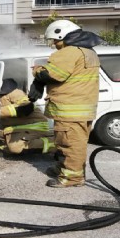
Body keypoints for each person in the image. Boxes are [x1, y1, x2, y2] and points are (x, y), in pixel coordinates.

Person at [28, 20, 102, 188]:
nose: (54, 45)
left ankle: (72, 178)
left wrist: (37, 70)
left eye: (55, 40)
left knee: (70, 144)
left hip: (69, 109)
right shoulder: (88, 51)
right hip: (82, 107)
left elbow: (53, 75)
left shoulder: (68, 52)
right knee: (73, 142)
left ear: (62, 35)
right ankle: (65, 168)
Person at [0, 78, 55, 155]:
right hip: (16, 127)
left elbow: (27, 107)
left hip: (34, 125)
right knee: (1, 140)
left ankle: (57, 144)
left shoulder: (14, 93)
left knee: (15, 147)